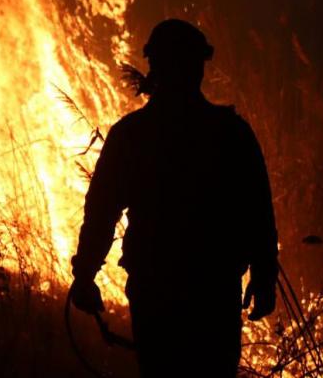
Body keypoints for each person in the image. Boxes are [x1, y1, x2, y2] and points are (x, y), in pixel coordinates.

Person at [70, 19, 279, 377]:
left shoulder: (133, 135)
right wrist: (263, 276)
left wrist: (86, 273)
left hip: (159, 287)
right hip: (211, 289)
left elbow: (102, 211)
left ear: (155, 67)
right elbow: (258, 211)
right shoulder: (230, 132)